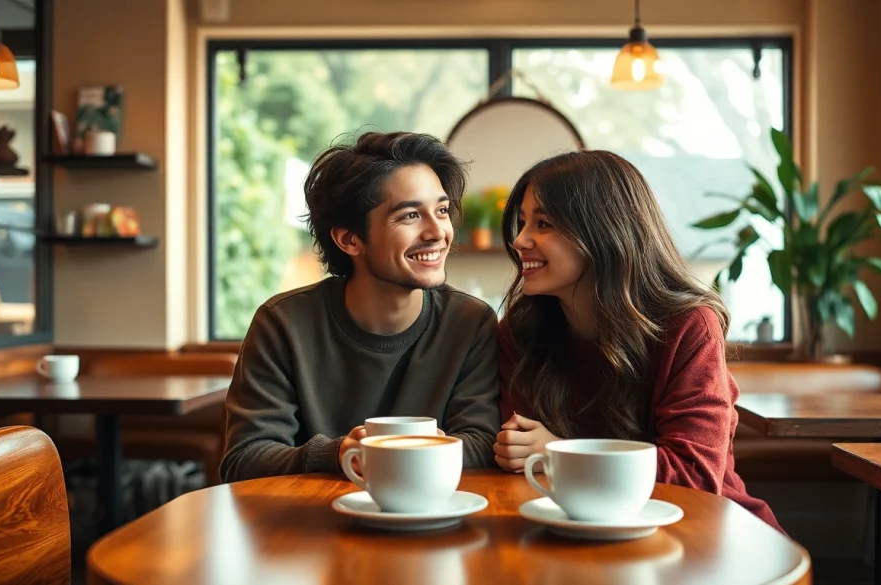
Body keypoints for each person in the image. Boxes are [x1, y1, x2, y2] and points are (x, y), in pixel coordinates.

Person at [492, 150, 782, 531]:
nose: (520, 240)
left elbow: (694, 476)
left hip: (706, 532)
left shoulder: (689, 325)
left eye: (543, 224)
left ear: (603, 231)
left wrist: (557, 453)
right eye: (523, 222)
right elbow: (517, 456)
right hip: (574, 529)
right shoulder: (522, 329)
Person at [220, 131, 501, 483]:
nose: (438, 232)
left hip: (433, 517)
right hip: (309, 525)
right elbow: (245, 458)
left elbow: (482, 443)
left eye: (441, 210)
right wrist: (338, 453)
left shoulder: (470, 323)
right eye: (410, 215)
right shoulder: (283, 323)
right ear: (349, 239)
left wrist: (389, 453)